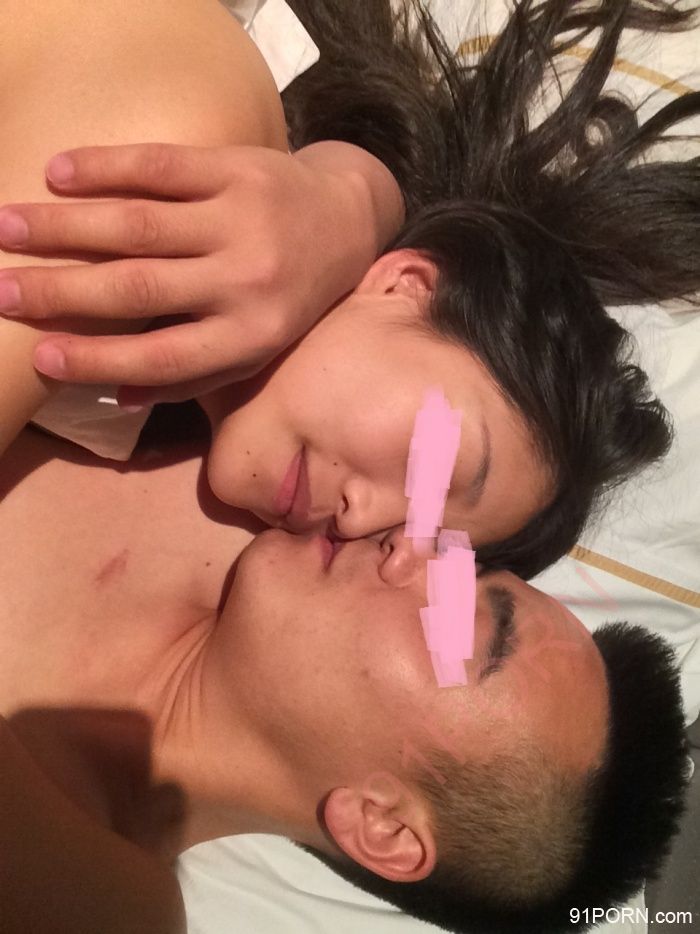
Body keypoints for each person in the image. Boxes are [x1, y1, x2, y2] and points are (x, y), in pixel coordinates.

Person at [3, 0, 699, 578]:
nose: (360, 520)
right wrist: (364, 192)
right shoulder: (193, 149)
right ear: (406, 284)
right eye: (431, 471)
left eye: (408, 534)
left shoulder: (127, 426)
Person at [0, 423, 689, 934]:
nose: (413, 545)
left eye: (466, 627)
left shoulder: (98, 906)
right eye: (465, 569)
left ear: (382, 826)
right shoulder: (257, 467)